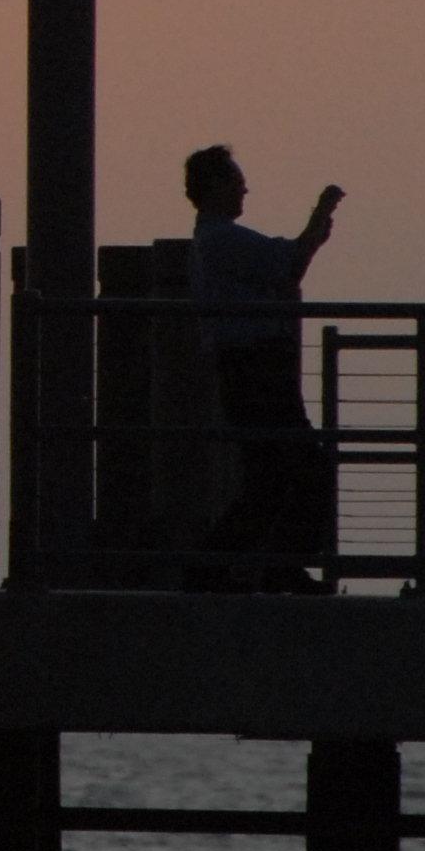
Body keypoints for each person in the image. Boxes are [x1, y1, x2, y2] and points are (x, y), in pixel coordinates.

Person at [184, 144, 345, 595]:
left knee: (271, 475)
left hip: (248, 367)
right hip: (255, 369)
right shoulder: (221, 241)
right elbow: (289, 264)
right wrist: (319, 218)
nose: (244, 188)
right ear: (214, 186)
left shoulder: (211, 241)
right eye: (235, 180)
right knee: (299, 467)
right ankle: (251, 565)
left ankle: (231, 565)